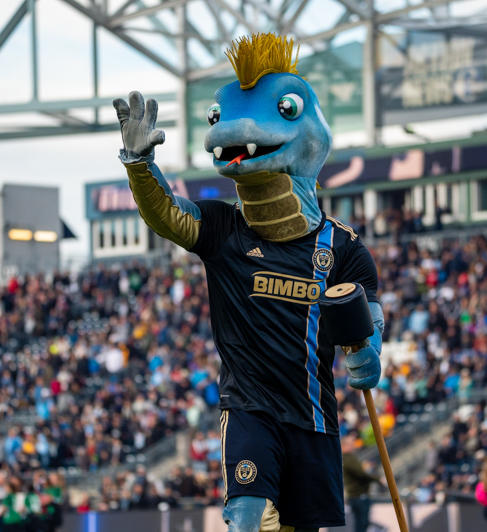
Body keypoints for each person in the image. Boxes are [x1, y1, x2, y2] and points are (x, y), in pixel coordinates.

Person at [113, 32, 383, 532]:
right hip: (249, 407)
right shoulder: (222, 229)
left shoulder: (342, 248)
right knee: (249, 519)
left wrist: (367, 353)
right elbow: (168, 216)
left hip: (312, 413)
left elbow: (368, 321)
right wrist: (140, 167)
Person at [341, 433, 383, 532]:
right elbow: (361, 474)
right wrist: (378, 479)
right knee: (361, 524)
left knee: (361, 523)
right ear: (344, 445)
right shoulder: (348, 459)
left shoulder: (348, 458)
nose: (353, 445)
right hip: (358, 495)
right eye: (351, 443)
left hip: (356, 495)